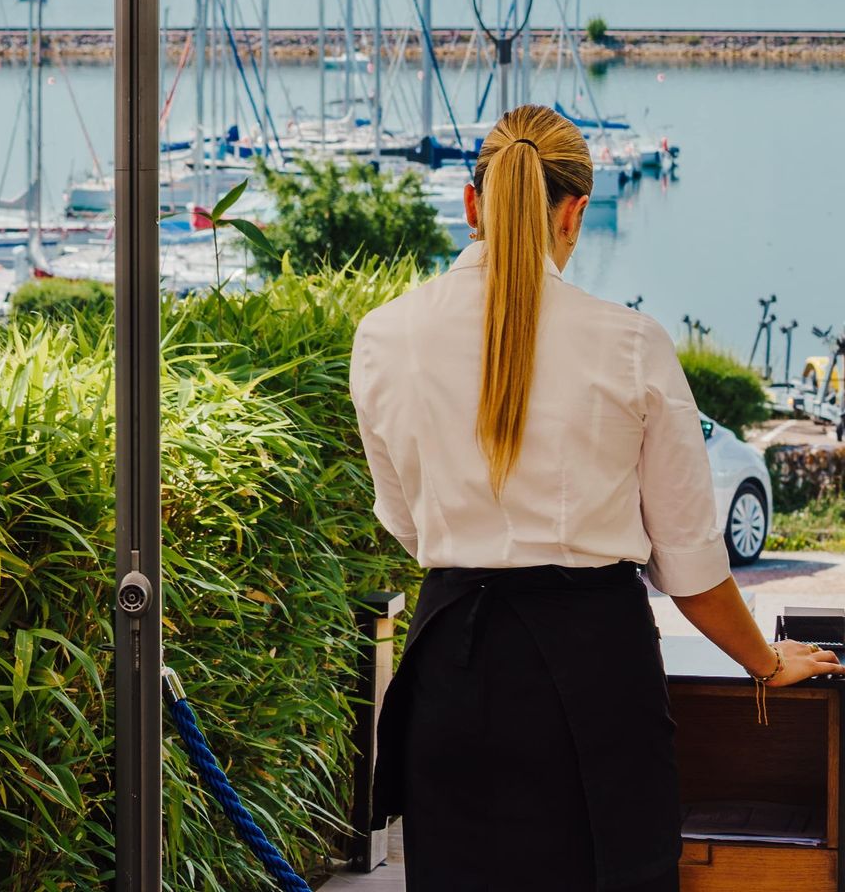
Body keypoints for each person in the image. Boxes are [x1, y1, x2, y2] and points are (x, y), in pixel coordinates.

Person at [351, 104, 842, 892]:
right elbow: (690, 564)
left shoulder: (382, 337)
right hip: (593, 683)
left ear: (473, 204)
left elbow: (409, 525)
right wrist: (764, 659)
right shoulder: (630, 344)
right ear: (574, 212)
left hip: (452, 673)